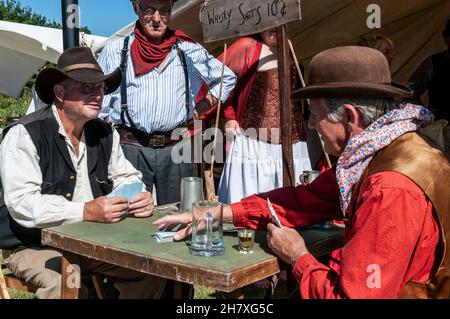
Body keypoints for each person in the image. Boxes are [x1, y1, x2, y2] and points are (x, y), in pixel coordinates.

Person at [154, 46, 450, 299]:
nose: (309, 125)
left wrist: (298, 256)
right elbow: (304, 200)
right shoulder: (385, 151)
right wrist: (223, 212)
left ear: (349, 116)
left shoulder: (388, 187)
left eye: (315, 115)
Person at [0, 47, 165, 299]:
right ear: (60, 93)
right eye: (86, 88)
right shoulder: (25, 134)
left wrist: (140, 195)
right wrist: (85, 211)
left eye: (100, 88)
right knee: (67, 281)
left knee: (152, 267)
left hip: (92, 243)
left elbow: (126, 177)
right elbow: (22, 203)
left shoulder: (104, 133)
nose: (97, 95)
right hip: (34, 245)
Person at [97, 0, 236, 205]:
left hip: (176, 148)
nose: (156, 19)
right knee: (129, 213)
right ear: (137, 8)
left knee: (178, 215)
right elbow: (101, 104)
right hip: (130, 148)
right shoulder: (117, 50)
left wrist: (200, 108)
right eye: (150, 10)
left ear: (171, 11)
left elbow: (227, 77)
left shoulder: (188, 49)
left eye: (163, 11)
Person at [216, 29, 311, 204]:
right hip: (256, 142)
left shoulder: (288, 46)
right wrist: (229, 116)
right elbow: (215, 79)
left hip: (294, 142)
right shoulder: (247, 46)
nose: (273, 27)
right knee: (252, 202)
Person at [409, 18, 450, 122]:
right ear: (445, 38)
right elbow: (411, 90)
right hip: (440, 128)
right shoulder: (433, 63)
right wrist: (425, 115)